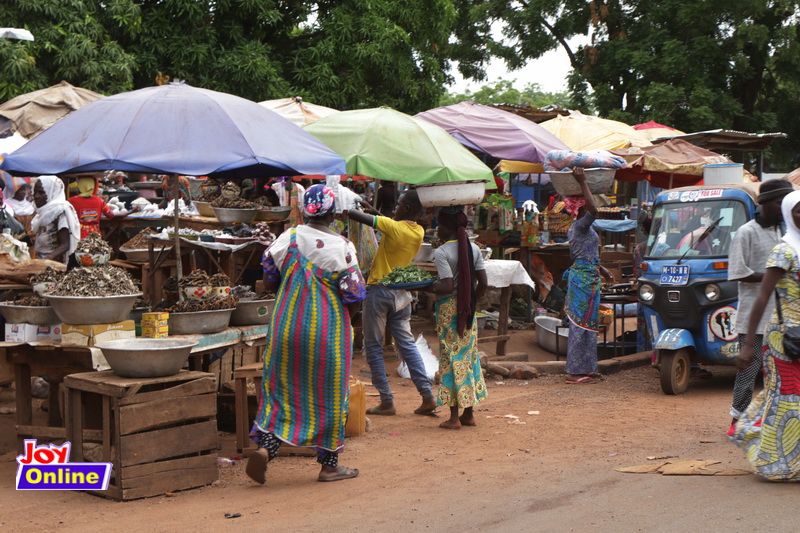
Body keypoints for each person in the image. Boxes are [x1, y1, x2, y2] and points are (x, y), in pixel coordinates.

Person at [247, 184, 366, 484]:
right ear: (334, 212)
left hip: (285, 328)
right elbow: (355, 296)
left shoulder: (287, 238)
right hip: (326, 332)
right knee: (329, 396)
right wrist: (348, 323)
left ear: (305, 210)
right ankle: (329, 466)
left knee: (282, 390)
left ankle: (267, 449)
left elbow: (268, 279)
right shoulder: (342, 247)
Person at [345, 189, 438, 416]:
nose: (394, 208)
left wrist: (345, 203)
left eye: (398, 205)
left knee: (374, 346)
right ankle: (427, 396)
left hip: (379, 291)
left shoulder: (393, 227)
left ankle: (387, 401)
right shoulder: (417, 231)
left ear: (406, 208)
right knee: (406, 345)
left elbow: (354, 215)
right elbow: (388, 222)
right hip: (401, 295)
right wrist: (374, 211)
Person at [730, 190, 800, 481]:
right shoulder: (784, 250)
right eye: (798, 210)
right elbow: (762, 297)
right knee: (788, 402)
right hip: (784, 338)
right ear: (788, 213)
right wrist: (748, 345)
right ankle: (777, 463)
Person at [727, 179, 793, 424]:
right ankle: (737, 420)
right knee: (748, 375)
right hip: (753, 320)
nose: (782, 208)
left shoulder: (786, 232)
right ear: (765, 203)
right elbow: (737, 272)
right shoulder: (747, 232)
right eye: (779, 202)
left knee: (778, 376)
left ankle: (770, 422)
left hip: (783, 319)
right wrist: (774, 275)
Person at [424, 206, 488, 429]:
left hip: (448, 311)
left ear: (445, 227)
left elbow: (447, 285)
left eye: (438, 225)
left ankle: (453, 418)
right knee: (468, 357)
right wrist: (471, 301)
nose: (436, 229)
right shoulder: (474, 248)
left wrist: (426, 287)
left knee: (450, 359)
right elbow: (484, 284)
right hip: (468, 310)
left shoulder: (441, 252)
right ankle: (468, 414)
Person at [563, 168, 613, 384]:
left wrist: (601, 269)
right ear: (581, 209)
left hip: (588, 277)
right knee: (580, 324)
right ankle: (573, 372)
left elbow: (585, 254)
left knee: (589, 324)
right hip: (583, 279)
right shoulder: (582, 226)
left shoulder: (579, 229)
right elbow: (594, 209)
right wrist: (582, 181)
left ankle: (588, 369)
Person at [31, 176, 80, 263]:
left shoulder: (60, 211)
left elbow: (65, 245)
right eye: (35, 192)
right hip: (41, 261)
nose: (36, 196)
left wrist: (46, 259)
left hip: (55, 264)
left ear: (52, 192)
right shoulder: (44, 212)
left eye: (41, 192)